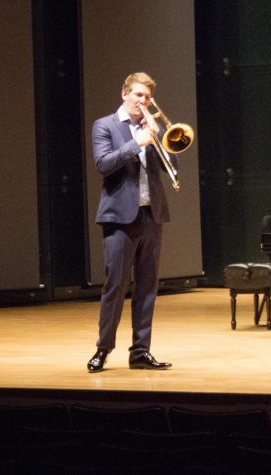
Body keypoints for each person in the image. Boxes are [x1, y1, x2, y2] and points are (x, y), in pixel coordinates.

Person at [87, 72, 178, 373]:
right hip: (119, 218)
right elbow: (103, 164)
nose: (143, 102)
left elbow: (171, 167)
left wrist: (159, 137)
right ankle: (103, 349)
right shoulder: (105, 125)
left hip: (151, 216)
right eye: (138, 95)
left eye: (147, 97)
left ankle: (140, 351)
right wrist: (136, 143)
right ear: (124, 93)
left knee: (148, 287)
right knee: (116, 285)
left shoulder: (152, 127)